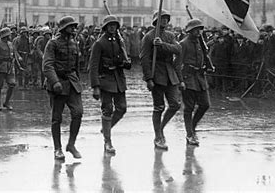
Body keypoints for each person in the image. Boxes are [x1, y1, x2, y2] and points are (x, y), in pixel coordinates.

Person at [140, 10, 182, 150]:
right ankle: (158, 136)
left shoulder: (170, 35)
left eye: (166, 19)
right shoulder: (148, 37)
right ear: (155, 21)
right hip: (156, 74)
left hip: (170, 74)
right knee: (159, 107)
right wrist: (148, 78)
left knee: (175, 104)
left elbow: (178, 49)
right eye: (161, 18)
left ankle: (161, 128)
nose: (164, 21)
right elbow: (144, 59)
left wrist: (162, 45)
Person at [89, 15, 131, 154]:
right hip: (105, 80)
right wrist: (95, 87)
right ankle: (108, 141)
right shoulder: (99, 43)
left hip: (118, 79)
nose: (112, 27)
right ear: (105, 27)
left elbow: (123, 60)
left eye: (114, 25)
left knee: (122, 108)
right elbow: (93, 66)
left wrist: (126, 62)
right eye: (110, 25)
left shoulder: (120, 42)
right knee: (107, 110)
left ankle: (106, 128)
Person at [43, 16, 83, 160]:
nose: (73, 29)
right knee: (56, 118)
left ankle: (71, 145)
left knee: (78, 113)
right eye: (71, 26)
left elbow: (76, 65)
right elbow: (47, 65)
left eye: (74, 27)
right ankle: (57, 149)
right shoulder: (52, 44)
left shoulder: (74, 43)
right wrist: (54, 82)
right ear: (63, 28)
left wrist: (78, 81)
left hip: (72, 83)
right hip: (58, 84)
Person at [179, 19, 211, 146]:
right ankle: (189, 134)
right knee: (189, 108)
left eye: (200, 29)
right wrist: (180, 80)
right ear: (190, 31)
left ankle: (192, 127)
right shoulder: (183, 44)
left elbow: (204, 56)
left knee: (205, 104)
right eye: (196, 29)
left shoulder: (200, 42)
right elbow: (178, 63)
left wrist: (208, 65)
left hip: (200, 77)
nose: (199, 32)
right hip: (188, 77)